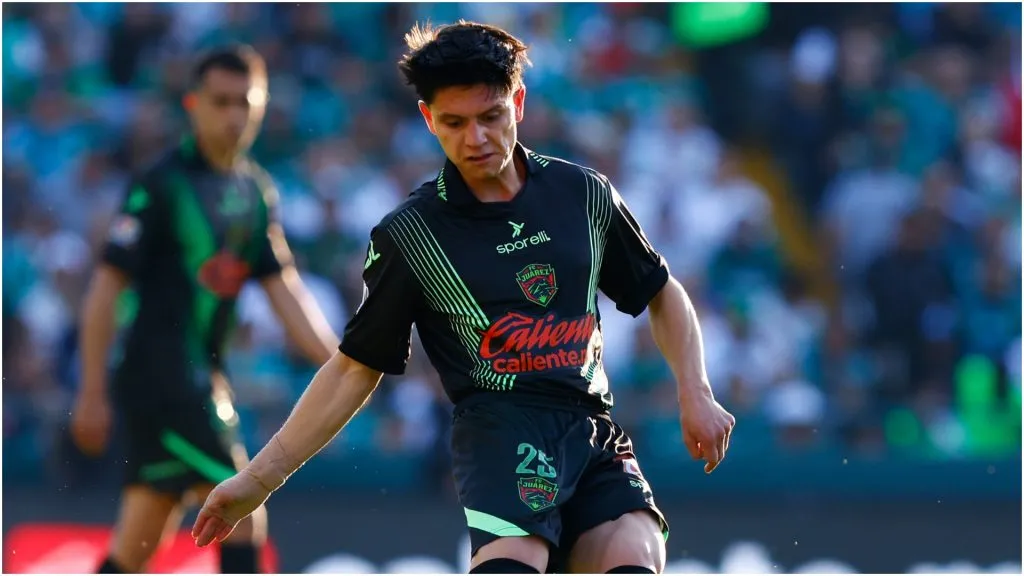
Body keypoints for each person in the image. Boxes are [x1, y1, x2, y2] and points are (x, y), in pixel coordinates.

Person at [191, 22, 735, 574]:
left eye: (490, 116)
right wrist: (260, 478)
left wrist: (695, 390)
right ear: (429, 120)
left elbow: (662, 293)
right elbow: (355, 368)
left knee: (635, 561)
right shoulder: (412, 235)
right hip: (500, 436)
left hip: (592, 432)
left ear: (517, 103)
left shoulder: (583, 194)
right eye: (454, 123)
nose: (475, 138)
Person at [70, 45, 340, 574]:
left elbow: (282, 285)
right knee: (244, 509)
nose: (235, 116)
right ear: (193, 104)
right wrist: (91, 391)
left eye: (246, 102)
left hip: (203, 377)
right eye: (221, 102)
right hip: (161, 377)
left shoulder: (254, 189)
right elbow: (105, 288)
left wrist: (343, 362)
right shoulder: (161, 184)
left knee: (140, 538)